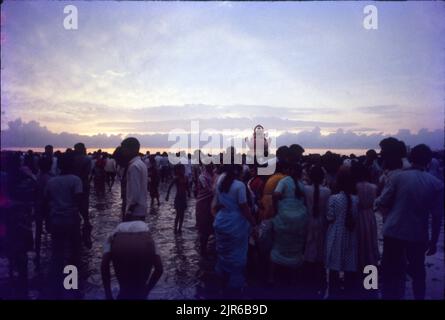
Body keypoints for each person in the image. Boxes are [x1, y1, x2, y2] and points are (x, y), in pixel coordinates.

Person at [375, 144, 443, 300]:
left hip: (393, 232)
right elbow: (437, 216)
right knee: (418, 273)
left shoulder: (397, 177)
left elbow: (381, 201)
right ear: (428, 161)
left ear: (411, 158)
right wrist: (433, 242)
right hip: (418, 235)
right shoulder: (436, 184)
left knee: (389, 271)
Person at [45, 152, 90, 297]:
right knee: (74, 253)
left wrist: (47, 221)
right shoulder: (75, 180)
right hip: (72, 220)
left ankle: (57, 287)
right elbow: (79, 202)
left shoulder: (51, 181)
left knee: (57, 253)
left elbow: (46, 203)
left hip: (56, 220)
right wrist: (87, 220)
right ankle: (72, 285)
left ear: (58, 165)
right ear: (72, 165)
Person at [212, 164, 256, 295]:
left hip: (221, 220)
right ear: (238, 172)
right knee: (237, 256)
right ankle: (234, 290)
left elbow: (218, 203)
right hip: (236, 223)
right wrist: (254, 224)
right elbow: (244, 207)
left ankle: (222, 285)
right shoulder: (239, 185)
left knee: (223, 253)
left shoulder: (220, 181)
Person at [101, 213, 163, 300]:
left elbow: (104, 265)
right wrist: (148, 290)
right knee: (140, 290)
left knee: (124, 290)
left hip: (120, 246)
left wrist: (108, 295)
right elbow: (159, 269)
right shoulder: (149, 235)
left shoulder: (112, 235)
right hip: (144, 246)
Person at [270, 163, 308, 286]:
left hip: (284, 219)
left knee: (280, 246)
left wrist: (277, 208)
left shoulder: (285, 181)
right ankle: (292, 280)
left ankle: (278, 279)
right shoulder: (301, 184)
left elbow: (276, 195)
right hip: (299, 220)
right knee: (295, 248)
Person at [325, 166, 359, 299]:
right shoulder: (357, 199)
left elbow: (330, 217)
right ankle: (349, 291)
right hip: (351, 235)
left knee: (334, 265)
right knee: (350, 265)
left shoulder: (334, 198)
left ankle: (334, 292)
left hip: (336, 234)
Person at [303, 165, 331, 298]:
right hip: (322, 223)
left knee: (308, 248)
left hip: (308, 222)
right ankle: (320, 278)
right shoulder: (327, 191)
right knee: (320, 249)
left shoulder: (305, 189)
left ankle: (308, 278)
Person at [121, 138, 148, 221]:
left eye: (124, 148)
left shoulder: (133, 167)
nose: (122, 151)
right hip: (141, 209)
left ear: (131, 149)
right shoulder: (140, 163)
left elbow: (134, 194)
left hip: (134, 212)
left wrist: (129, 212)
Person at [34, 156, 52, 270]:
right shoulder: (50, 178)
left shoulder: (36, 177)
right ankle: (53, 253)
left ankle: (37, 253)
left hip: (38, 206)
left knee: (38, 230)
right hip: (48, 206)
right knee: (52, 229)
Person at [72, 143, 93, 249]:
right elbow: (88, 172)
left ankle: (76, 230)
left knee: (74, 206)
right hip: (84, 183)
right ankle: (86, 231)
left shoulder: (72, 159)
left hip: (72, 184)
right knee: (84, 208)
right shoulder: (87, 159)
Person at [195, 163, 215, 256]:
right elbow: (208, 189)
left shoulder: (215, 175)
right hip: (203, 204)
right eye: (208, 165)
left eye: (211, 164)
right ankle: (203, 251)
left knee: (213, 227)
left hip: (212, 204)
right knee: (204, 229)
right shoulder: (202, 176)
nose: (210, 166)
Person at [166, 164, 190, 233]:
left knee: (182, 215)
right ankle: (175, 228)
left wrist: (189, 193)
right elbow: (170, 186)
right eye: (182, 169)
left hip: (183, 198)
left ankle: (180, 228)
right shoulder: (176, 178)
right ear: (178, 171)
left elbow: (187, 187)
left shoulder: (186, 178)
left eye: (184, 169)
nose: (183, 170)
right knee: (178, 214)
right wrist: (167, 195)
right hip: (178, 198)